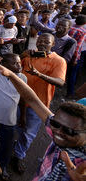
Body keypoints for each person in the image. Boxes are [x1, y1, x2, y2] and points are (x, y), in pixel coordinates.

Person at [0, 55, 86, 181]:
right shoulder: (57, 133)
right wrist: (11, 75)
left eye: (69, 131)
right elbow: (32, 100)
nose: (59, 131)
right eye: (55, 124)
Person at [12, 33, 67, 174]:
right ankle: (18, 147)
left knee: (29, 132)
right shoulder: (29, 55)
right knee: (18, 126)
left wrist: (39, 74)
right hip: (18, 100)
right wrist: (22, 55)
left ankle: (18, 156)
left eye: (46, 42)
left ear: (53, 44)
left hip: (38, 105)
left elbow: (60, 82)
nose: (42, 43)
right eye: (40, 40)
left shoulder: (59, 61)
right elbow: (13, 68)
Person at [67, 14, 86, 97]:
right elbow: (78, 46)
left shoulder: (69, 27)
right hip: (74, 55)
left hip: (65, 53)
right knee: (72, 74)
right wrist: (75, 58)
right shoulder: (82, 31)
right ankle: (70, 93)